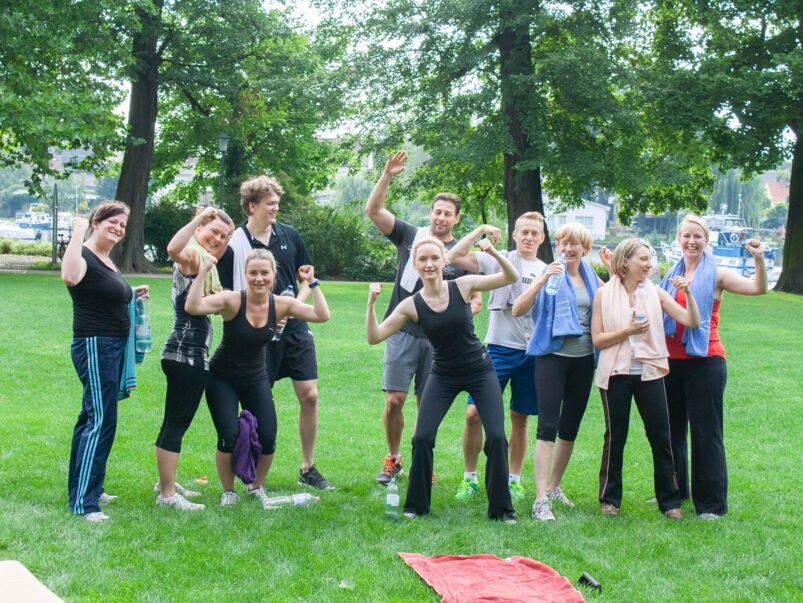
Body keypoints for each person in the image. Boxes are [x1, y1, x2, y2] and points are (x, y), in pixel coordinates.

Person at [366, 236, 517, 522]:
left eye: (435, 258)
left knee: (497, 437)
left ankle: (502, 510)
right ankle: (415, 506)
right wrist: (371, 304)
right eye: (422, 259)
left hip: (479, 370)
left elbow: (511, 276)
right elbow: (374, 336)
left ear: (443, 260)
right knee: (422, 437)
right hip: (444, 373)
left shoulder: (462, 285)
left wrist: (494, 252)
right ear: (415, 265)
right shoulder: (411, 305)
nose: (429, 264)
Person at [365, 151, 480, 485]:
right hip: (401, 331)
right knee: (395, 400)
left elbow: (475, 298)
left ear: (457, 219)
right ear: (430, 213)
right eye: (437, 211)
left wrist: (467, 311)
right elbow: (374, 211)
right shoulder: (411, 236)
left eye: (448, 214)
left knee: (425, 404)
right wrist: (387, 174)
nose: (441, 218)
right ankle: (394, 458)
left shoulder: (459, 255)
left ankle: (421, 461)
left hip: (438, 341)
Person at [185, 250, 330, 508]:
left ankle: (256, 487)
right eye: (253, 273)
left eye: (265, 273)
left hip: (255, 378)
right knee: (228, 435)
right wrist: (203, 271)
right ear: (245, 274)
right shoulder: (232, 300)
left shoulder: (281, 304)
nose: (259, 278)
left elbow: (322, 316)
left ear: (273, 275)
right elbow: (193, 306)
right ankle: (228, 490)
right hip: (222, 378)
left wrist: (312, 283)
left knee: (268, 436)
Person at [219, 176, 334, 490]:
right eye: (271, 204)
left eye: (277, 204)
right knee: (256, 405)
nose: (275, 209)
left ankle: (307, 467)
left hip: (293, 325)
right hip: (255, 333)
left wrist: (289, 308)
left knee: (310, 394)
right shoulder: (234, 242)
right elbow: (227, 294)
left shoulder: (289, 235)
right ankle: (251, 469)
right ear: (252, 206)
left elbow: (306, 278)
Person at [661, 215, 768, 519]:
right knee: (672, 432)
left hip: (706, 361)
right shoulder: (670, 275)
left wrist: (758, 259)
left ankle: (711, 505)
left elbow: (758, 288)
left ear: (706, 240)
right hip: (670, 362)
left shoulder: (717, 274)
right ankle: (676, 492)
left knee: (706, 433)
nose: (692, 242)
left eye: (698, 236)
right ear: (678, 239)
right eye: (686, 236)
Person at [591, 238, 701, 519]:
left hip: (650, 372)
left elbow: (691, 321)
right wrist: (627, 331)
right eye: (642, 258)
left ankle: (670, 502)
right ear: (625, 262)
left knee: (660, 437)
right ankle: (610, 499)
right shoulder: (603, 294)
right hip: (615, 374)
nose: (649, 263)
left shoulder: (656, 292)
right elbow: (598, 339)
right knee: (615, 438)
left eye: (649, 258)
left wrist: (688, 294)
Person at [445, 213, 547, 503]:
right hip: (498, 349)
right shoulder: (497, 258)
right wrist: (480, 231)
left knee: (520, 418)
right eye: (523, 232)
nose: (528, 237)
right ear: (514, 235)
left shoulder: (545, 269)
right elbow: (452, 256)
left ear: (541, 238)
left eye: (534, 233)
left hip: (530, 353)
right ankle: (470, 479)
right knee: (473, 413)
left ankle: (514, 479)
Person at [512, 222, 607, 521]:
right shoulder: (549, 272)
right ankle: (540, 500)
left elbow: (617, 297)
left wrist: (611, 266)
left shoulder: (592, 278)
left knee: (570, 427)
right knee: (547, 426)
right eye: (563, 242)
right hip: (552, 357)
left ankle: (554, 487)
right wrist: (541, 281)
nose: (567, 248)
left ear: (584, 249)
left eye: (573, 244)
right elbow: (518, 308)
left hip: (583, 359)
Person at [61, 201, 147, 522]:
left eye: (123, 225)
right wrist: (76, 231)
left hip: (109, 347)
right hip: (95, 345)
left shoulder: (105, 260)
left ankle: (90, 488)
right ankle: (84, 503)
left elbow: (104, 292)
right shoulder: (82, 254)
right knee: (100, 420)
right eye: (113, 221)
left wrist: (132, 294)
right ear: (96, 222)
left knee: (92, 418)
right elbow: (70, 276)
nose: (119, 228)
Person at [154, 206, 234, 511]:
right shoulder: (191, 255)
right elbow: (172, 248)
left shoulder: (206, 261)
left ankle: (167, 483)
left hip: (187, 354)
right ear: (200, 229)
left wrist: (226, 232)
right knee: (176, 423)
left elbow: (220, 251)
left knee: (174, 423)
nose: (217, 239)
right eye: (212, 231)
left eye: (224, 236)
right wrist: (200, 219)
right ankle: (167, 495)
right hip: (185, 354)